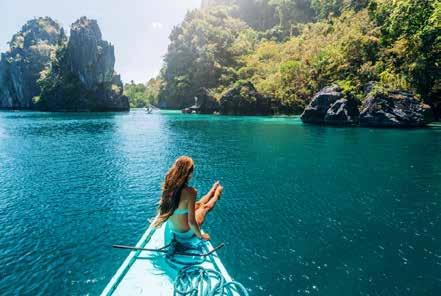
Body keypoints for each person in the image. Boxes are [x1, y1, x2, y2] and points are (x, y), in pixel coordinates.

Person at [152, 156, 223, 243]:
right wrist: (201, 236)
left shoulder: (168, 187)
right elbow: (192, 222)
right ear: (188, 173)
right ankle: (217, 194)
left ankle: (212, 191)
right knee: (204, 208)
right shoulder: (190, 192)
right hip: (186, 233)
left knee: (199, 203)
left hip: (173, 229)